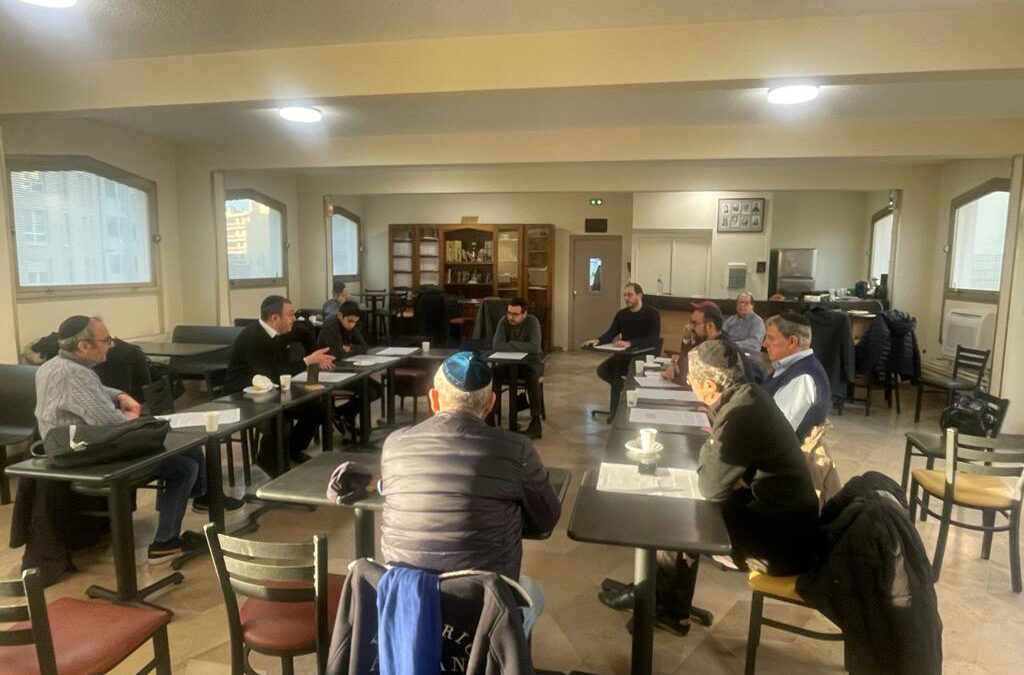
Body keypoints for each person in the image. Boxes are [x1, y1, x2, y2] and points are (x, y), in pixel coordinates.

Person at [599, 340, 819, 635]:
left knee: (677, 518)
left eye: (691, 379)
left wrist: (715, 456)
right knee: (685, 513)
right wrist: (728, 472)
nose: (689, 383)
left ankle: (662, 603)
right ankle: (667, 603)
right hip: (784, 525)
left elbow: (709, 486)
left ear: (710, 387)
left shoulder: (740, 414)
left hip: (778, 546)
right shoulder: (749, 395)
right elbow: (722, 473)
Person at [380, 352, 561, 636]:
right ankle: (504, 654)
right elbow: (546, 518)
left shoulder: (394, 444)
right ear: (491, 403)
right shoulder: (516, 448)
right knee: (534, 593)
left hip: (407, 602)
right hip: (482, 606)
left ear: (434, 399)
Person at [34, 316, 209, 563]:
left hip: (72, 449)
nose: (112, 344)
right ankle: (168, 539)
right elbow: (111, 424)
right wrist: (136, 420)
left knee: (184, 451)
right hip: (86, 455)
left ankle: (197, 503)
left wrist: (119, 394)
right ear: (83, 346)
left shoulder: (53, 365)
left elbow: (93, 392)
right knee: (183, 465)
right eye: (106, 340)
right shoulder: (74, 374)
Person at [224, 295, 336, 474]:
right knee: (280, 424)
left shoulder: (281, 331)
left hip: (272, 392)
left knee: (317, 409)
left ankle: (291, 450)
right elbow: (272, 375)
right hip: (244, 397)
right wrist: (308, 360)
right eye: (290, 315)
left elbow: (305, 333)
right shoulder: (254, 338)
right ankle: (270, 463)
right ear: (274, 318)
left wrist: (315, 354)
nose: (294, 319)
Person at [581, 283, 661, 416]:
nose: (626, 298)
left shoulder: (653, 314)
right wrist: (598, 340)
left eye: (630, 295)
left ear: (639, 296)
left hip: (642, 355)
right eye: (625, 295)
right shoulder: (621, 314)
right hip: (624, 354)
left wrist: (630, 343)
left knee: (619, 375)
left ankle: (618, 409)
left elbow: (653, 339)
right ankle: (622, 401)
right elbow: (611, 333)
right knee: (603, 370)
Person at [316, 300, 383, 438]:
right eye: (350, 321)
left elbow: (364, 347)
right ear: (340, 315)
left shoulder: (349, 326)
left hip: (347, 370)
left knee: (378, 389)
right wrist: (346, 350)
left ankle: (340, 413)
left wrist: (350, 348)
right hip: (330, 372)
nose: (352, 325)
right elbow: (338, 355)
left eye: (355, 322)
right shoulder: (331, 326)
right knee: (368, 391)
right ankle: (343, 416)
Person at [762, 312, 832, 440]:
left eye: (770, 338)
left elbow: (775, 433)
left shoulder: (803, 379)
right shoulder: (794, 368)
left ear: (792, 342)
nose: (764, 344)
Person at [661, 301, 759, 385]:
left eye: (694, 323)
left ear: (710, 326)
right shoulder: (709, 343)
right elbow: (687, 367)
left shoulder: (721, 349)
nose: (690, 326)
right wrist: (675, 369)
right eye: (690, 322)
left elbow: (694, 381)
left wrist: (675, 376)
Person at [487, 297, 544, 439]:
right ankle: (490, 416)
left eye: (515, 314)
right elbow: (497, 345)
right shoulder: (504, 321)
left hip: (531, 363)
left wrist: (510, 344)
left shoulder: (532, 322)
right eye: (509, 313)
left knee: (531, 376)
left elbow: (534, 347)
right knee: (493, 373)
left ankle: (535, 422)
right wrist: (520, 346)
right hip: (508, 363)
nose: (510, 317)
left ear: (524, 314)